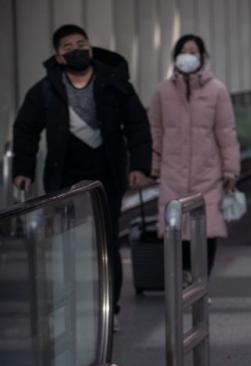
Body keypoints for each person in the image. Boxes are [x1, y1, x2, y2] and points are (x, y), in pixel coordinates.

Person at [12, 24, 152, 328]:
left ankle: (109, 309)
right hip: (63, 177)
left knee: (107, 242)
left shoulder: (115, 83)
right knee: (65, 244)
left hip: (108, 176)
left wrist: (139, 166)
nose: (77, 50)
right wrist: (22, 170)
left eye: (81, 43)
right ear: (58, 56)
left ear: (90, 46)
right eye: (68, 47)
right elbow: (25, 129)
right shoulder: (46, 90)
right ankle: (68, 304)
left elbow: (137, 125)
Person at [148, 34, 240, 276]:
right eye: (184, 51)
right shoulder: (162, 92)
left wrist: (231, 170)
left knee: (206, 230)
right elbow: (155, 131)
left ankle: (201, 280)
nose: (188, 56)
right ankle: (183, 279)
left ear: (203, 57)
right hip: (172, 173)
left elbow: (226, 133)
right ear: (175, 57)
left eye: (193, 51)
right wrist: (153, 166)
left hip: (207, 173)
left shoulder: (217, 90)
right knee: (174, 229)